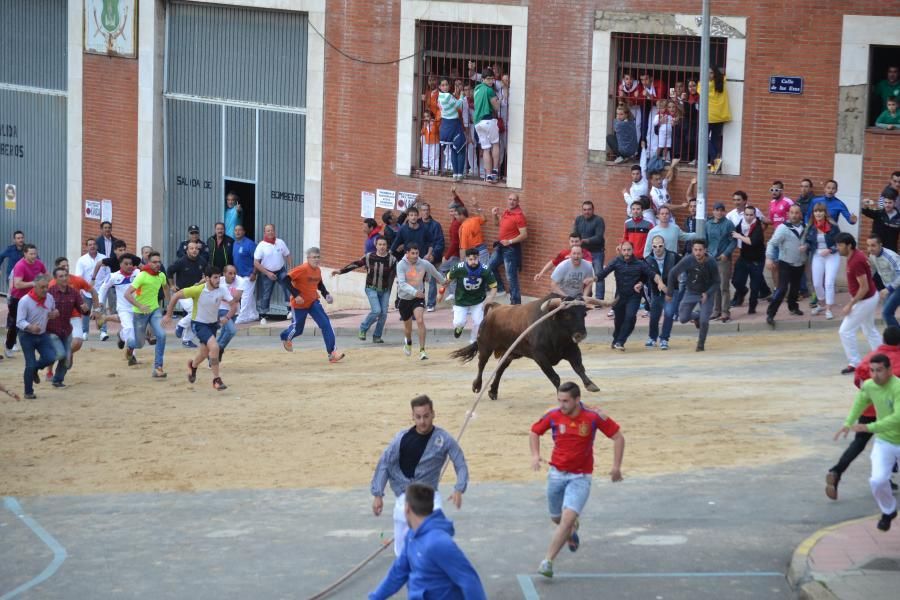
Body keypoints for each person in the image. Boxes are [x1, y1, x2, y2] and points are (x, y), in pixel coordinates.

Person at [530, 381, 625, 578]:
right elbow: (534, 432)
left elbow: (618, 437)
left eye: (565, 401)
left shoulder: (593, 416)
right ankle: (572, 530)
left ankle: (548, 561)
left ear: (577, 400)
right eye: (559, 400)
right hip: (556, 473)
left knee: (566, 519)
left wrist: (616, 466)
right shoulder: (553, 415)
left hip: (580, 476)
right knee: (556, 518)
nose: (561, 405)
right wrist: (535, 455)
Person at [371, 395, 469, 557]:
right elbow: (385, 463)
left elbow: (460, 463)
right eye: (418, 417)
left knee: (436, 531)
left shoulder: (443, 439)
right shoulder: (401, 439)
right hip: (405, 498)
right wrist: (377, 494)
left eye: (426, 416)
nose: (422, 421)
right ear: (412, 416)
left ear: (433, 414)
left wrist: (459, 488)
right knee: (402, 553)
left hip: (429, 496)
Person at [368, 482, 486, 600]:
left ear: (407, 508)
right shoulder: (411, 536)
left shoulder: (438, 543)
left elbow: (470, 581)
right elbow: (397, 573)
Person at [827, 326, 900, 501]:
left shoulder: (871, 358)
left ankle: (836, 470)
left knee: (859, 443)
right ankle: (888, 474)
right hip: (891, 412)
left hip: (868, 409)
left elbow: (858, 381)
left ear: (883, 340)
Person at [835, 353, 900, 531]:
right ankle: (888, 511)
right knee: (877, 481)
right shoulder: (870, 386)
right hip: (885, 442)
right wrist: (848, 423)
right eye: (872, 370)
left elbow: (898, 417)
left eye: (879, 370)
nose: (874, 375)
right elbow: (860, 402)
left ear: (889, 370)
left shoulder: (898, 387)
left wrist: (869, 427)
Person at [164, 265, 235, 390]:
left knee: (204, 353)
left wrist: (227, 317)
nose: (218, 280)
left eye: (219, 277)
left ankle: (193, 366)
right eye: (215, 278)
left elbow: (233, 305)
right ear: (207, 278)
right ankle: (216, 379)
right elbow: (176, 296)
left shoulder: (222, 289)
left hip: (213, 324)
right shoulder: (198, 290)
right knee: (214, 347)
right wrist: (168, 315)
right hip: (199, 324)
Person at [595, 241, 664, 351]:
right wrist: (593, 279)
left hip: (634, 296)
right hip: (619, 296)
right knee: (619, 321)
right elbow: (604, 273)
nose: (626, 253)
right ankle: (616, 339)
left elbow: (652, 274)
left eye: (629, 250)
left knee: (630, 317)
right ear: (621, 251)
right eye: (624, 250)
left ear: (633, 250)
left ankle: (620, 341)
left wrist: (659, 282)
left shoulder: (640, 263)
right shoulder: (616, 261)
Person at [279, 247, 344, 363]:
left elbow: (319, 284)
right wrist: (296, 295)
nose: (316, 259)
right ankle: (285, 337)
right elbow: (285, 279)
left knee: (326, 324)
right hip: (299, 304)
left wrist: (326, 294)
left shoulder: (318, 270)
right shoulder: (302, 269)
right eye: (314, 257)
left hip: (313, 302)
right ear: (308, 258)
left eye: (318, 257)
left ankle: (332, 353)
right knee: (298, 329)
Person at [333, 236, 397, 343]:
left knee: (384, 314)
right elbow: (356, 264)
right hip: (371, 288)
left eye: (384, 245)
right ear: (376, 246)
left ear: (387, 246)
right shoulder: (369, 257)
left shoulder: (392, 259)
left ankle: (377, 336)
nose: (382, 247)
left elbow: (398, 273)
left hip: (385, 290)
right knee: (376, 311)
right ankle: (363, 328)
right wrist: (341, 271)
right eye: (380, 244)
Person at [836, 232, 882, 375]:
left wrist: (850, 304)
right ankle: (884, 358)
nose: (838, 248)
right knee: (869, 329)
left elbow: (864, 287)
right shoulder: (854, 255)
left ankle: (854, 363)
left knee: (845, 331)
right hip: (869, 297)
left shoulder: (855, 261)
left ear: (849, 246)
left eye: (840, 245)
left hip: (865, 299)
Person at [15, 275, 64, 400]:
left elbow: (53, 311)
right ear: (35, 287)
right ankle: (28, 392)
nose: (45, 290)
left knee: (51, 357)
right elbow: (19, 321)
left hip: (42, 334)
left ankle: (34, 369)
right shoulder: (25, 301)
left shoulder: (49, 298)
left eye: (46, 287)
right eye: (42, 287)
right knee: (30, 364)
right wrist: (30, 327)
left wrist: (55, 313)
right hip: (27, 336)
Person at [667, 239, 720, 352]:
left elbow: (717, 282)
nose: (698, 253)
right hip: (691, 291)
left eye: (700, 250)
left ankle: (701, 344)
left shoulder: (711, 262)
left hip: (706, 293)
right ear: (692, 250)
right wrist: (670, 292)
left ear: (705, 250)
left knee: (704, 320)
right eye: (695, 250)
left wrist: (708, 293)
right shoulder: (688, 260)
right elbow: (672, 273)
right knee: (683, 318)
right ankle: (696, 316)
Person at [124, 250, 169, 378]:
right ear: (148, 263)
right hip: (140, 313)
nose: (157, 264)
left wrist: (168, 308)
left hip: (154, 310)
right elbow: (127, 294)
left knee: (161, 335)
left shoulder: (161, 275)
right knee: (139, 344)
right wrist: (140, 306)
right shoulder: (142, 276)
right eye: (154, 262)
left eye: (159, 262)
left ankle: (158, 367)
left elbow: (165, 287)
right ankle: (130, 346)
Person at [396, 243, 445, 360]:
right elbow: (401, 284)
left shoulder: (423, 263)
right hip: (404, 298)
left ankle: (422, 350)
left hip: (419, 298)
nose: (415, 256)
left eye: (417, 253)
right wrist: (414, 292)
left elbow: (435, 273)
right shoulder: (401, 265)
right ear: (406, 253)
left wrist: (444, 281)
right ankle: (408, 342)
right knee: (408, 329)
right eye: (412, 253)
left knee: (420, 320)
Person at [440, 248, 498, 343]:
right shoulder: (458, 268)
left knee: (479, 323)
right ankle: (460, 327)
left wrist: (490, 298)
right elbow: (447, 280)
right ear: (466, 259)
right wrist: (440, 293)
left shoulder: (485, 270)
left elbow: (494, 286)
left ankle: (473, 341)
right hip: (461, 300)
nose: (473, 261)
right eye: (470, 259)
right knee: (459, 322)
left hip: (478, 300)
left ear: (479, 258)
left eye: (475, 259)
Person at [51, 257, 100, 363]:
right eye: (63, 266)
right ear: (57, 268)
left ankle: (68, 353)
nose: (66, 268)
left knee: (77, 342)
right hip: (57, 318)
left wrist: (96, 310)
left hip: (74, 315)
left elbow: (93, 292)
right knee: (56, 344)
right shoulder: (51, 284)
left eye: (67, 265)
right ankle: (51, 369)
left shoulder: (76, 280)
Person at [46, 267, 88, 388]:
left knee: (67, 361)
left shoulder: (74, 292)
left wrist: (85, 309)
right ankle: (43, 360)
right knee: (61, 355)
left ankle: (57, 380)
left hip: (66, 330)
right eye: (61, 276)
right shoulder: (49, 292)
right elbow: (42, 309)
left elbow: (82, 309)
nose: (64, 278)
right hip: (52, 329)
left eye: (66, 275)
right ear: (55, 279)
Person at [764, 204, 806, 328]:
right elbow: (772, 243)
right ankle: (770, 314)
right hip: (785, 263)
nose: (794, 215)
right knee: (782, 289)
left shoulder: (806, 227)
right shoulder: (783, 228)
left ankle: (793, 307)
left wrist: (807, 247)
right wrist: (768, 258)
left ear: (800, 214)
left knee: (795, 288)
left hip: (799, 263)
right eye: (792, 212)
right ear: (788, 214)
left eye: (797, 212)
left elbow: (809, 242)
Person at [5, 243, 47, 358]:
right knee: (16, 324)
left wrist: (47, 284)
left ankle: (34, 346)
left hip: (32, 298)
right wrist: (34, 283)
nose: (34, 256)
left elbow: (47, 275)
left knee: (35, 320)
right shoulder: (20, 265)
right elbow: (17, 284)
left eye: (35, 253)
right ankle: (9, 345)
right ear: (25, 254)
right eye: (31, 254)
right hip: (17, 299)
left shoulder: (39, 263)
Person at [804, 202, 841, 320]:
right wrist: (805, 246)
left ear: (825, 213)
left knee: (829, 283)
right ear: (813, 213)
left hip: (831, 256)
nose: (818, 213)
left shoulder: (833, 226)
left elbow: (839, 244)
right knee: (816, 283)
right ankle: (821, 304)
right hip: (817, 256)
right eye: (816, 211)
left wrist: (830, 250)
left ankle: (829, 309)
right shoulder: (811, 227)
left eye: (821, 211)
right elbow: (809, 242)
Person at [489, 193, 527, 304]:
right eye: (510, 199)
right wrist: (494, 215)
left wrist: (509, 241)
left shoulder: (519, 216)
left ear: (518, 202)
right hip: (501, 247)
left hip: (511, 249)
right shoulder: (506, 212)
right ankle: (500, 289)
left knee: (511, 278)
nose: (511, 201)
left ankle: (516, 304)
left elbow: (524, 235)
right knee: (489, 267)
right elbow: (497, 224)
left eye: (514, 200)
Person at [97, 253, 138, 357]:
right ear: (120, 265)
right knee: (129, 328)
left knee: (134, 331)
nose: (129, 266)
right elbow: (103, 288)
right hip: (123, 308)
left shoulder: (138, 273)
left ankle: (121, 334)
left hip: (137, 307)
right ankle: (132, 354)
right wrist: (100, 302)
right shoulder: (113, 276)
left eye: (131, 264)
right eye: (126, 264)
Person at [168, 241, 207, 348]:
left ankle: (186, 340)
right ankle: (180, 325)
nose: (194, 250)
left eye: (196, 248)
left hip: (197, 292)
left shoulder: (202, 261)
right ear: (187, 250)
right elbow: (169, 271)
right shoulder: (181, 261)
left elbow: (207, 275)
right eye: (191, 248)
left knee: (196, 315)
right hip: (183, 293)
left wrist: (201, 281)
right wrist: (171, 285)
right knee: (194, 311)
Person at [253, 223, 292, 325]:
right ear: (265, 232)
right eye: (268, 231)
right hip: (266, 272)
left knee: (287, 286)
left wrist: (291, 269)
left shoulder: (280, 242)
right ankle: (263, 315)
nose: (270, 232)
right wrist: (268, 273)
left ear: (274, 231)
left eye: (272, 230)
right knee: (266, 294)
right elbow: (256, 263)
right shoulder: (261, 246)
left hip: (280, 270)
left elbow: (287, 255)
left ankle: (290, 310)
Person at [644, 235, 678, 350]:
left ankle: (664, 339)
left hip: (671, 292)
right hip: (656, 293)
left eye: (660, 246)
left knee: (669, 315)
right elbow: (645, 276)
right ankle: (652, 338)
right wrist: (639, 284)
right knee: (654, 316)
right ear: (652, 247)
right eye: (655, 246)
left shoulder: (673, 256)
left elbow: (683, 268)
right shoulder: (648, 260)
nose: (657, 248)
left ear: (664, 245)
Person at [730, 205, 766, 314]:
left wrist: (739, 236)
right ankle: (742, 290)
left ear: (755, 215)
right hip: (744, 257)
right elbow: (732, 233)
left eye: (751, 215)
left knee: (754, 286)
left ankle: (752, 308)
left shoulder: (757, 227)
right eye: (746, 214)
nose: (749, 217)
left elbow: (752, 242)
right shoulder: (741, 223)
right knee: (735, 280)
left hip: (757, 260)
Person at [705, 202, 736, 322]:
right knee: (714, 286)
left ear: (724, 212)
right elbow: (705, 240)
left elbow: (733, 241)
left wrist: (726, 254)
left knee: (724, 286)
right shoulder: (708, 224)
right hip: (711, 259)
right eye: (716, 210)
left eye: (721, 210)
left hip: (723, 259)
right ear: (713, 211)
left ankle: (725, 312)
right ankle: (716, 310)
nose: (719, 212)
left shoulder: (728, 224)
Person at [75, 238, 108, 341]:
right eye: (90, 244)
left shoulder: (104, 258)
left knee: (101, 311)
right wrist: (80, 288)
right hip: (87, 290)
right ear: (86, 247)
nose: (92, 246)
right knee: (85, 312)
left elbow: (108, 273)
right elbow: (79, 276)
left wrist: (105, 285)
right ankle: (85, 332)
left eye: (94, 244)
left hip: (100, 290)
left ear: (97, 246)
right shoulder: (82, 260)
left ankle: (103, 332)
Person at [473, 67, 502, 183]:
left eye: (492, 79)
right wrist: (499, 100)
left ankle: (488, 175)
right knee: (495, 144)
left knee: (485, 148)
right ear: (483, 79)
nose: (491, 81)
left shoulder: (476, 89)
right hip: (488, 120)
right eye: (488, 79)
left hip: (477, 123)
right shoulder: (489, 90)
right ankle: (495, 170)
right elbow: (496, 107)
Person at [701, 65, 730, 174]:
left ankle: (715, 158)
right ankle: (714, 164)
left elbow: (697, 92)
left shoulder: (702, 84)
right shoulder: (722, 82)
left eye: (711, 73)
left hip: (709, 116)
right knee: (714, 139)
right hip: (721, 115)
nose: (708, 75)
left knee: (702, 139)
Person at [574, 201, 606, 299]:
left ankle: (599, 300)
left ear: (593, 210)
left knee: (598, 275)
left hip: (597, 252)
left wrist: (585, 240)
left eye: (589, 209)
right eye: (584, 210)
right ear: (582, 210)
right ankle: (586, 297)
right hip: (583, 253)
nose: (586, 212)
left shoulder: (599, 220)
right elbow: (575, 234)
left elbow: (599, 237)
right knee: (583, 275)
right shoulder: (578, 219)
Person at [437, 77, 467, 181]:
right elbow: (458, 104)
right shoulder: (447, 96)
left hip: (445, 124)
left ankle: (455, 174)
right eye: (443, 85)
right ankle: (459, 174)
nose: (445, 87)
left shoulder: (439, 97)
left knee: (454, 149)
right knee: (461, 148)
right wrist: (462, 95)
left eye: (446, 84)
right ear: (439, 86)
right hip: (454, 124)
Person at [868, 235, 900, 329]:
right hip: (890, 288)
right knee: (886, 314)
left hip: (897, 287)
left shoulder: (891, 256)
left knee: (886, 313)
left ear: (880, 245)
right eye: (868, 245)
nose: (870, 248)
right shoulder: (872, 255)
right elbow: (873, 269)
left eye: (873, 245)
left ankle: (896, 338)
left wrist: (888, 289)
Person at [215, 264, 244, 362]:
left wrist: (223, 296)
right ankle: (219, 349)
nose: (233, 276)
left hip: (234, 310)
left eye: (234, 273)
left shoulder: (240, 281)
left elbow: (236, 299)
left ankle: (213, 354)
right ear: (224, 274)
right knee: (231, 331)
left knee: (225, 333)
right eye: (230, 273)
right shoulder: (219, 280)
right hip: (221, 309)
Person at [419, 202, 445, 312]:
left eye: (427, 210)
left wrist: (433, 255)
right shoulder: (416, 223)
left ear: (430, 211)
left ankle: (430, 303)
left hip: (431, 258)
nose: (425, 212)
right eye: (423, 210)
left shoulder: (435, 225)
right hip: (418, 257)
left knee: (432, 281)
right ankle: (420, 302)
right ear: (420, 211)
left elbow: (440, 242)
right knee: (418, 281)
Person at [231, 224, 259, 324]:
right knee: (249, 296)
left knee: (245, 296)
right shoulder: (235, 243)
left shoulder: (250, 244)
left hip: (249, 275)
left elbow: (257, 259)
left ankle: (242, 316)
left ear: (244, 232)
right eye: (236, 230)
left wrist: (254, 272)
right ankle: (254, 314)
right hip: (239, 276)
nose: (237, 232)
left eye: (240, 230)